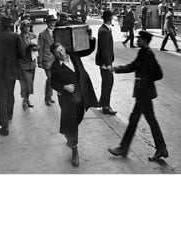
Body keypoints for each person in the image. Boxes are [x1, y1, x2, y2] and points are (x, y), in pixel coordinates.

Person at [108, 30, 168, 162]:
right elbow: (132, 66)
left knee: (135, 120)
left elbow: (159, 74)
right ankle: (161, 148)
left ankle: (124, 148)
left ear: (145, 41)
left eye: (139, 38)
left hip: (145, 93)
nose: (137, 40)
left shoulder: (148, 54)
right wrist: (116, 69)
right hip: (143, 94)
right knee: (148, 120)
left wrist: (145, 80)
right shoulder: (142, 53)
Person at [49, 36, 99, 167]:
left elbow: (88, 50)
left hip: (81, 93)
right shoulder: (55, 67)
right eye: (58, 53)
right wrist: (64, 87)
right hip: (68, 99)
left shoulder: (74, 55)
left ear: (64, 48)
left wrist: (91, 39)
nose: (61, 53)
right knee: (72, 122)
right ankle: (74, 150)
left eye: (61, 50)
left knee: (78, 117)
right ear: (55, 55)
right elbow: (52, 82)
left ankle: (68, 133)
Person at [0, 15, 22, 136]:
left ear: (0, 24)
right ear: (10, 25)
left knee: (1, 98)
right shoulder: (15, 36)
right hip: (11, 72)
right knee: (10, 93)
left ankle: (4, 126)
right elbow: (21, 54)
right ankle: (10, 113)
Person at [96, 9, 117, 115]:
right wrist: (108, 64)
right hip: (105, 63)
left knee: (106, 83)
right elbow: (104, 50)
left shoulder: (105, 29)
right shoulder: (104, 31)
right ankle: (106, 107)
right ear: (111, 18)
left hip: (105, 62)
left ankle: (102, 102)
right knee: (108, 84)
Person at [37, 14, 57, 106]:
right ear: (47, 23)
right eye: (50, 22)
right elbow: (40, 49)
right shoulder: (42, 34)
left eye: (53, 22)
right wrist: (39, 61)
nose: (52, 24)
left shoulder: (57, 33)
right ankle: (47, 98)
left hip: (55, 60)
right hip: (47, 60)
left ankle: (49, 96)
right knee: (50, 78)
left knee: (53, 78)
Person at [18, 20, 38, 109]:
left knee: (30, 84)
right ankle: (25, 100)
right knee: (25, 84)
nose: (27, 28)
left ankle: (27, 99)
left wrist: (35, 47)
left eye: (28, 26)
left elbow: (38, 46)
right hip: (23, 64)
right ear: (22, 28)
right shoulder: (18, 38)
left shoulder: (32, 36)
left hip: (32, 63)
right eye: (25, 27)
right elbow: (16, 51)